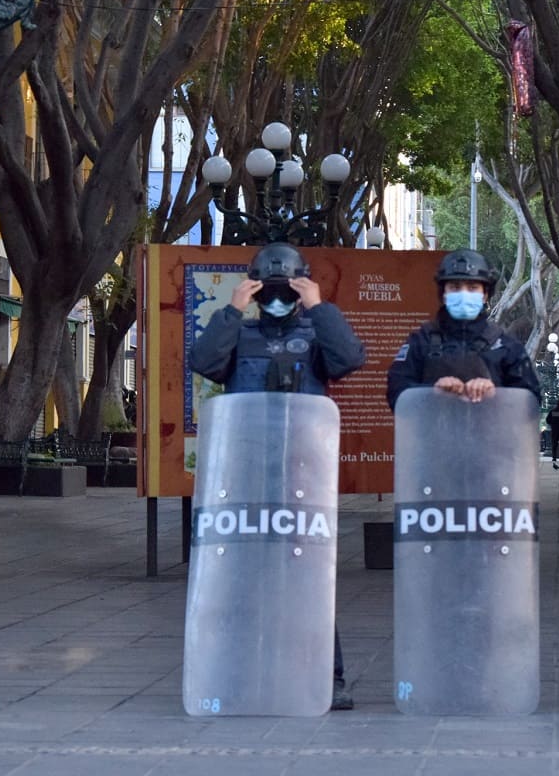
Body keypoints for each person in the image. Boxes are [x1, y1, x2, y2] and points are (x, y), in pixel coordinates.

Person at [190, 242, 365, 711]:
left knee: (310, 577)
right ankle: (240, 666)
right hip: (247, 475)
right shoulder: (239, 333)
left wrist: (319, 306)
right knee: (244, 578)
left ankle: (330, 677)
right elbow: (204, 363)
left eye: (284, 289)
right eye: (269, 289)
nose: (276, 297)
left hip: (302, 477)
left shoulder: (316, 334)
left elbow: (349, 359)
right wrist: (232, 309)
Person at [387, 249, 540, 408]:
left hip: (491, 432)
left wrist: (495, 393)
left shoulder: (507, 346)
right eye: (455, 287)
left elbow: (531, 402)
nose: (463, 293)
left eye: (472, 287)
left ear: (485, 294)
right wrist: (432, 391)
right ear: (443, 293)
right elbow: (396, 394)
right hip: (434, 432)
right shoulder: (420, 340)